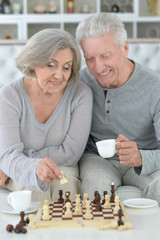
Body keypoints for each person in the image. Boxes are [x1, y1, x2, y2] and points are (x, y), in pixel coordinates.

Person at [76, 12, 160, 204]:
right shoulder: (79, 82)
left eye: (106, 56)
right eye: (90, 58)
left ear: (125, 48)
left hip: (144, 157)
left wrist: (140, 157)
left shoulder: (155, 87)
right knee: (95, 187)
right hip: (96, 159)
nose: (98, 68)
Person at [0, 28, 93, 201]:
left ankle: (72, 228)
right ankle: (31, 227)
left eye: (66, 67)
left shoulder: (80, 93)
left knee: (66, 184)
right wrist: (26, 165)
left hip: (63, 167)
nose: (59, 75)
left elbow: (71, 153)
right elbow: (9, 154)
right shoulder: (9, 95)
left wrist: (12, 161)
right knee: (32, 185)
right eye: (51, 65)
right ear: (34, 62)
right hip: (22, 168)